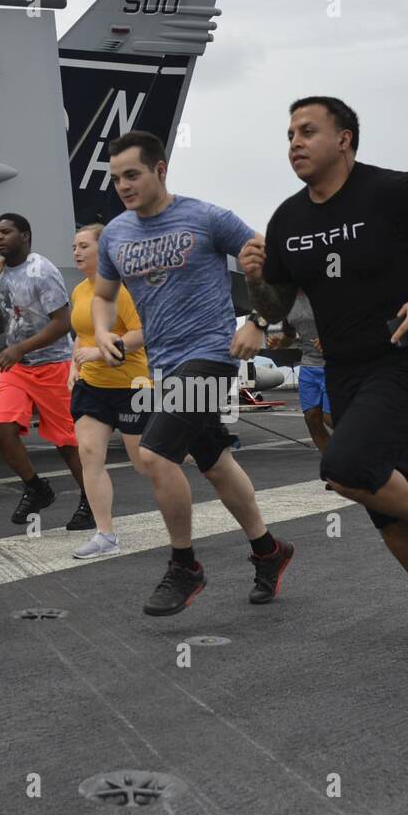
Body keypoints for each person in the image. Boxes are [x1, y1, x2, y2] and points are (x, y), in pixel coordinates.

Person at [242, 96, 408, 663]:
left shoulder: (396, 191)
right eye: (288, 135)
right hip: (344, 370)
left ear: (345, 140)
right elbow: (280, 304)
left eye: (308, 132)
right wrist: (256, 279)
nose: (295, 144)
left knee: (345, 468)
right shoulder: (288, 218)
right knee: (380, 503)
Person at [93, 130, 295, 616]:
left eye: (133, 175)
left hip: (211, 354)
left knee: (157, 454)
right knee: (215, 464)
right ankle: (270, 551)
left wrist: (259, 322)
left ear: (160, 170)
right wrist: (102, 333)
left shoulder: (207, 217)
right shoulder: (116, 233)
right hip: (164, 363)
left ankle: (185, 566)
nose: (124, 185)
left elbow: (270, 264)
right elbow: (102, 295)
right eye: (117, 178)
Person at [0, 214, 93, 530]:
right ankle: (37, 488)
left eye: (6, 232)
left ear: (25, 236)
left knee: (68, 443)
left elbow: (63, 322)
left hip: (54, 365)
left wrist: (19, 348)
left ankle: (91, 502)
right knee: (0, 428)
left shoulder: (42, 272)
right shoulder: (0, 276)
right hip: (18, 369)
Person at [66, 223, 149, 558]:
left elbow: (143, 332)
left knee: (146, 463)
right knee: (89, 455)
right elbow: (82, 336)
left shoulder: (122, 290)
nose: (76, 252)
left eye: (84, 245)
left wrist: (103, 351)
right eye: (74, 246)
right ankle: (106, 535)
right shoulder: (80, 291)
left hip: (130, 385)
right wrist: (76, 365)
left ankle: (196, 450)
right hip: (92, 385)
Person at [267, 289, 333, 452]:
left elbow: (351, 323)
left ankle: (360, 455)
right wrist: (279, 343)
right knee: (311, 417)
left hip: (334, 364)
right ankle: (332, 464)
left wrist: (333, 339)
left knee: (330, 418)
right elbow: (290, 336)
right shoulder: (288, 301)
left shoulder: (327, 290)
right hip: (309, 365)